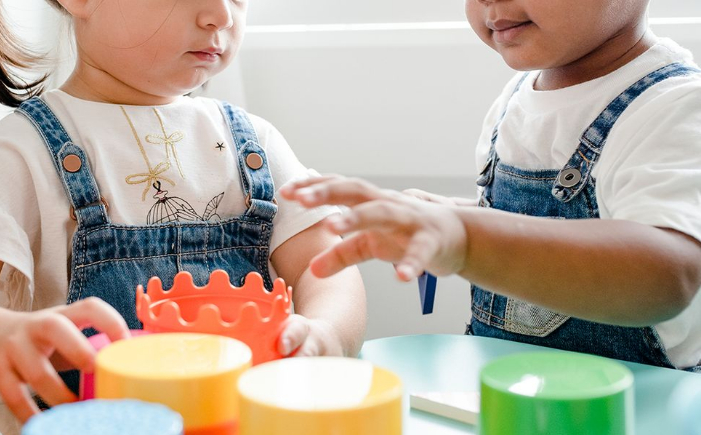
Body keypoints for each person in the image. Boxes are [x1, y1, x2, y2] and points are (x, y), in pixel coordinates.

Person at [0, 0, 366, 433]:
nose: (221, 15)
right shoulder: (22, 150)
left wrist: (327, 334)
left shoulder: (254, 143)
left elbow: (327, 265)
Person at [282, 0, 701, 372]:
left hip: (641, 408)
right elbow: (531, 224)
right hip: (521, 393)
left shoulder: (675, 106)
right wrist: (450, 217)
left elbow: (670, 275)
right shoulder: (517, 99)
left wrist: (466, 239)